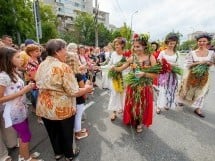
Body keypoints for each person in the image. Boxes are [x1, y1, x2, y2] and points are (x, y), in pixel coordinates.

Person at [35, 39, 93, 161]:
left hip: (44, 106)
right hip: (62, 108)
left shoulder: (42, 64)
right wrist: (87, 88)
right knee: (66, 133)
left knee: (52, 132)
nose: (66, 52)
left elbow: (37, 82)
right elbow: (73, 91)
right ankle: (69, 155)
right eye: (64, 49)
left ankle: (58, 153)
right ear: (57, 51)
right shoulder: (63, 67)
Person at [0, 47, 42, 161]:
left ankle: (22, 155)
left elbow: (15, 89)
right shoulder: (3, 76)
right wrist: (23, 91)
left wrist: (26, 88)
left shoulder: (14, 71)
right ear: (8, 59)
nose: (21, 59)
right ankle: (26, 158)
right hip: (13, 112)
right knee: (26, 136)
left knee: (23, 135)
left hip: (21, 109)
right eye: (17, 57)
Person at [113, 34, 157, 132]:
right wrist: (113, 68)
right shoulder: (132, 57)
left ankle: (140, 122)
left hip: (144, 86)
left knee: (142, 105)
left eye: (138, 46)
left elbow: (156, 75)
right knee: (133, 103)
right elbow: (121, 67)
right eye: (134, 46)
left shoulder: (151, 57)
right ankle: (132, 118)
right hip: (132, 86)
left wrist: (144, 74)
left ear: (144, 46)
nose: (136, 48)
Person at [178, 33, 215, 117]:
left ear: (207, 42)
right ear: (197, 42)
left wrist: (209, 63)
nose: (201, 43)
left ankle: (198, 108)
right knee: (187, 89)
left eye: (204, 41)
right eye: (200, 41)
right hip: (192, 74)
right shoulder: (192, 53)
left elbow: (212, 63)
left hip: (204, 76)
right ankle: (182, 101)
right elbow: (188, 65)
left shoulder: (211, 53)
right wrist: (200, 63)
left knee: (202, 91)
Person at [156, 33, 180, 114]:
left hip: (172, 75)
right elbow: (159, 61)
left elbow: (178, 64)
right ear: (167, 43)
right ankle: (158, 106)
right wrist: (165, 65)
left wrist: (170, 65)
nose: (171, 45)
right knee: (161, 90)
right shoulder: (162, 52)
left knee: (170, 90)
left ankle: (167, 103)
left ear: (176, 43)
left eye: (173, 43)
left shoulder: (177, 53)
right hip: (164, 74)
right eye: (170, 43)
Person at [106, 37, 127, 121]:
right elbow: (110, 64)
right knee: (114, 94)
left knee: (122, 94)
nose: (116, 46)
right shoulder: (114, 54)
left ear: (122, 45)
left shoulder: (126, 55)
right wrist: (112, 67)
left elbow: (128, 67)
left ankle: (121, 108)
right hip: (115, 78)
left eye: (117, 44)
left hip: (124, 77)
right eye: (115, 44)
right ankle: (113, 112)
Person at [25, 44, 43, 124]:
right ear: (31, 53)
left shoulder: (38, 60)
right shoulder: (30, 64)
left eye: (39, 50)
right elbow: (35, 77)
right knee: (38, 103)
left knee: (40, 102)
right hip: (36, 86)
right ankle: (39, 118)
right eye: (36, 51)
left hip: (40, 84)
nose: (39, 52)